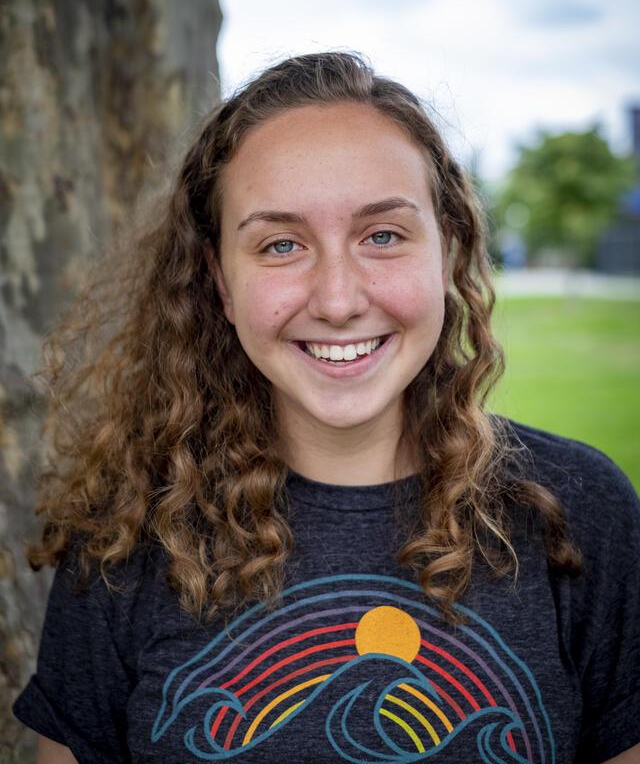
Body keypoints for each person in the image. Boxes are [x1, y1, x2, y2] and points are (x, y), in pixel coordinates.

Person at [12, 51, 640, 764]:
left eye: (382, 236)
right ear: (220, 279)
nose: (338, 300)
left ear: (448, 250)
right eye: (281, 245)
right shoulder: (125, 533)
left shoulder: (581, 514)